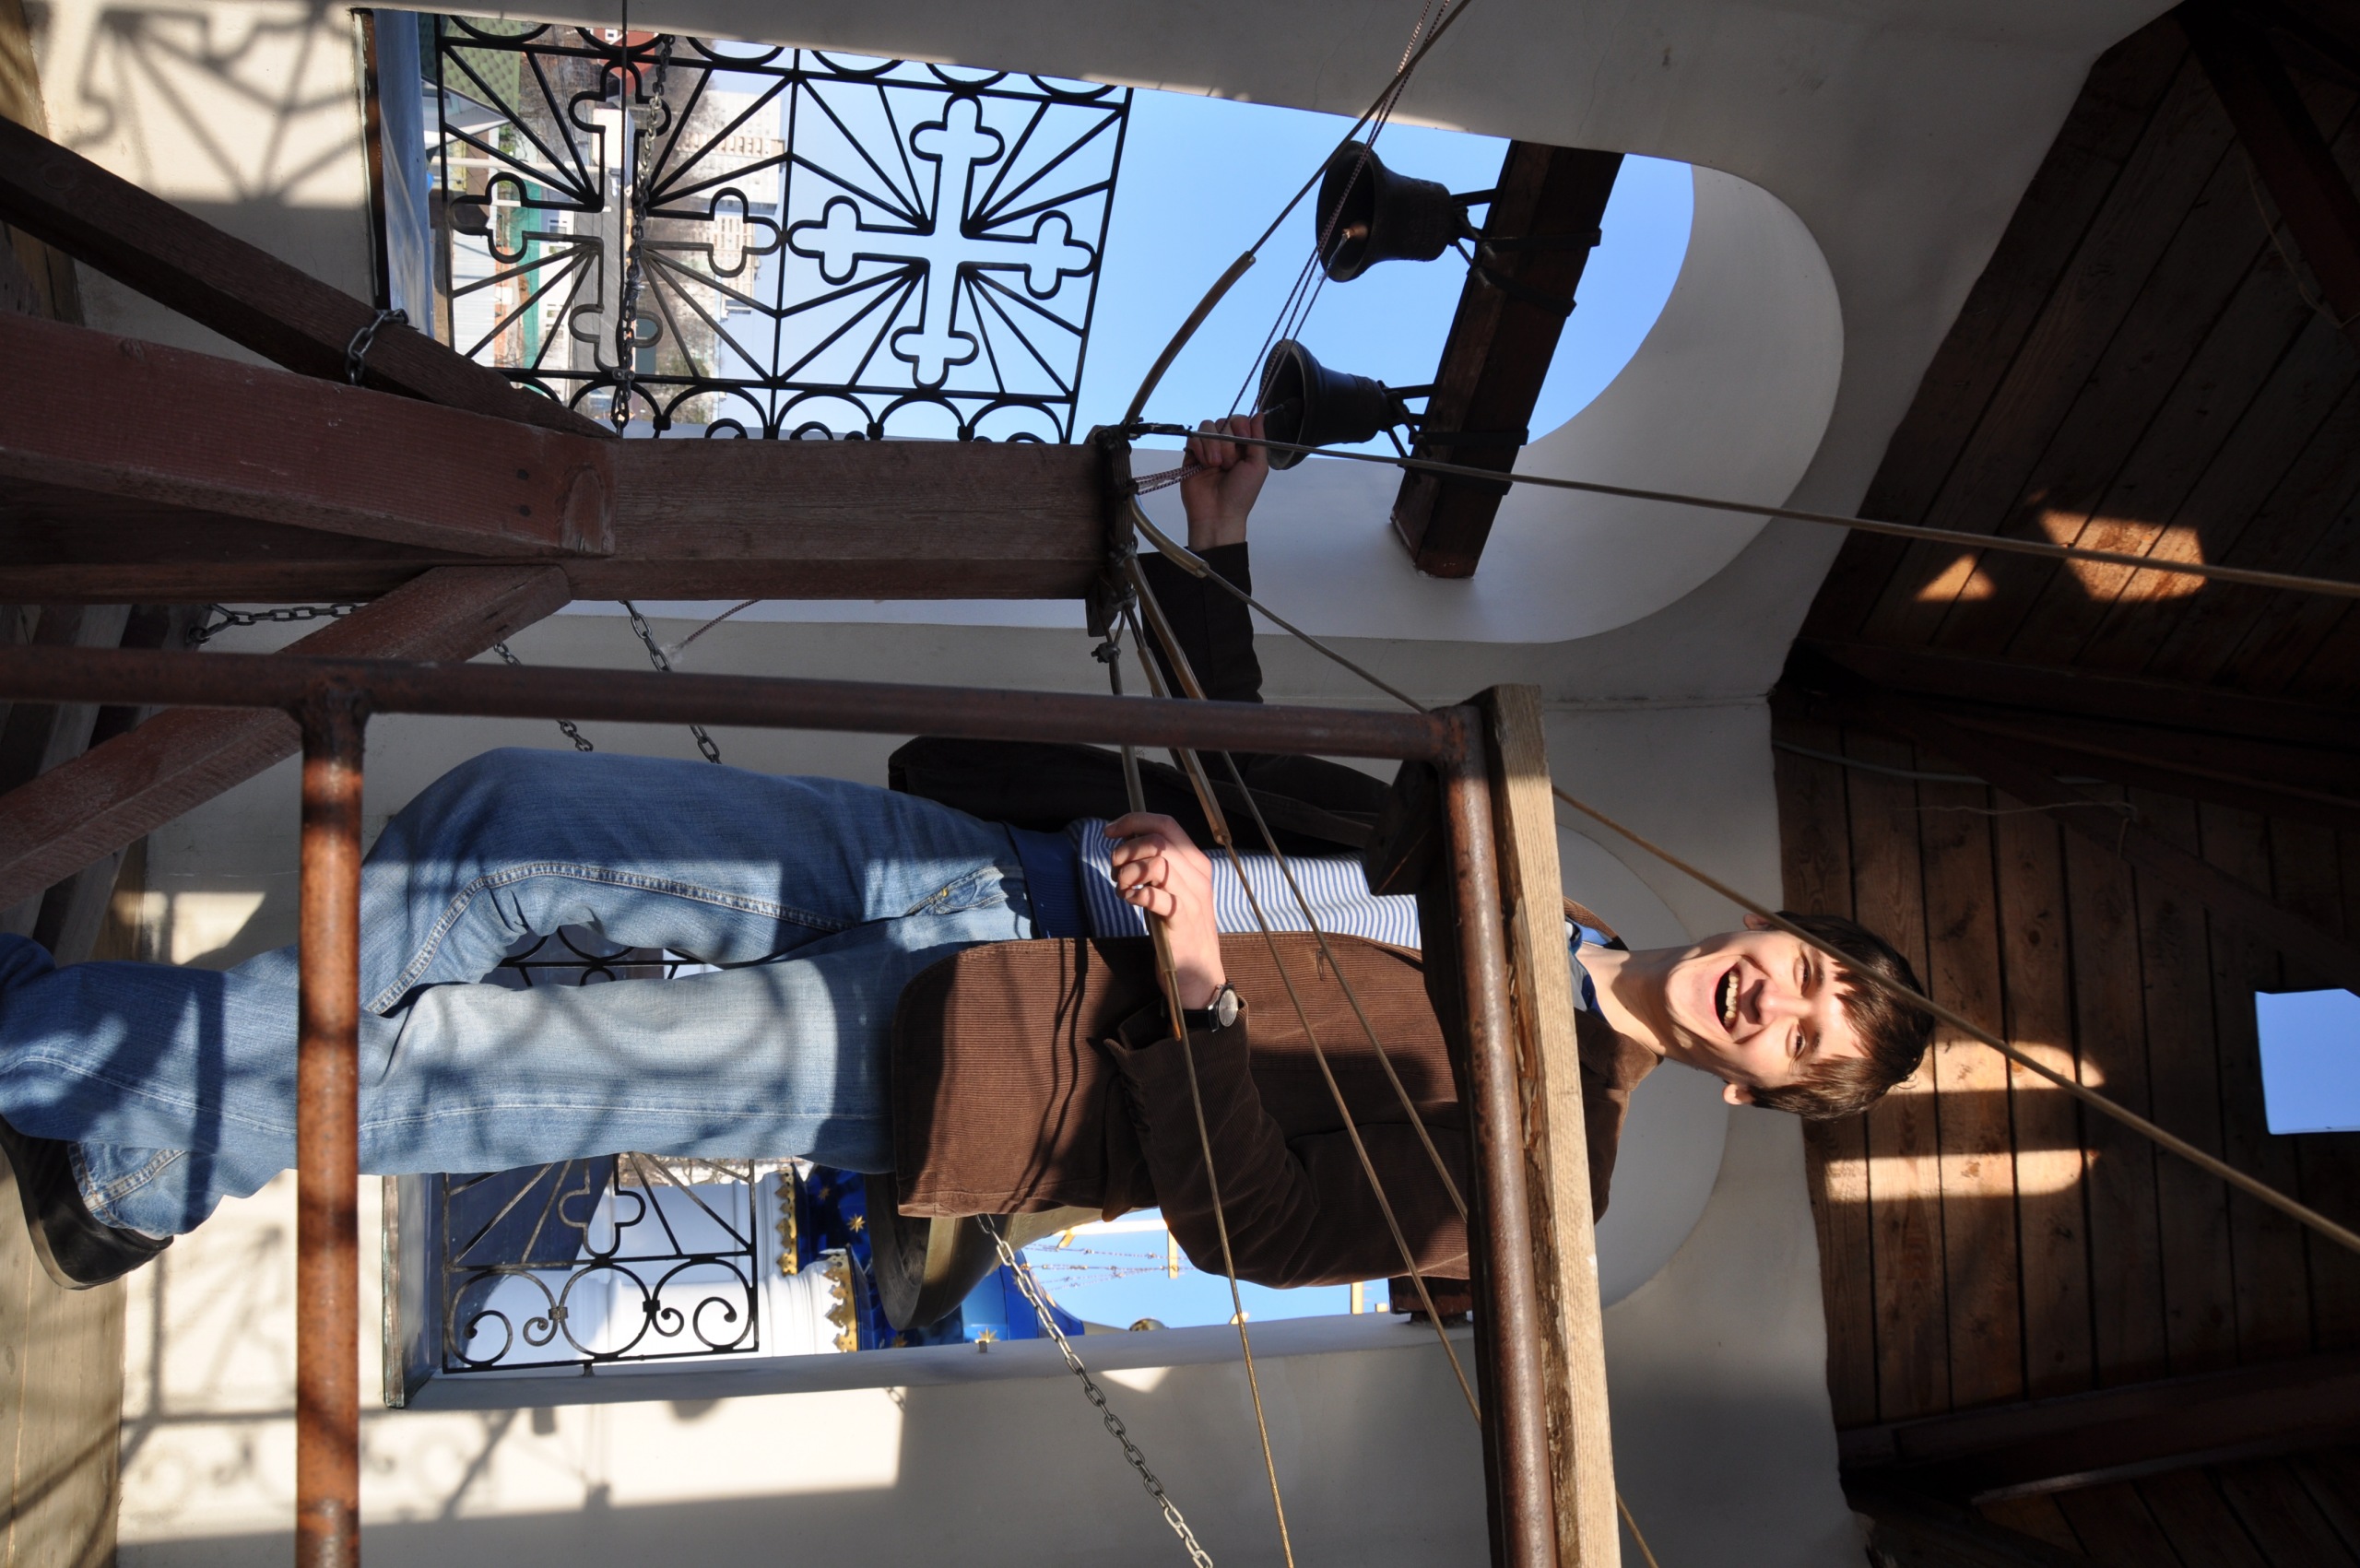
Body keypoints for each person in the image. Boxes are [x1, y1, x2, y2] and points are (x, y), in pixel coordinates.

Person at [0, 418, 1933, 1292]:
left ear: (1759, 1085)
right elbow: (1268, 798)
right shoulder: (1528, 872)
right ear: (1771, 924)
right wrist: (1218, 550)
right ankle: (151, 1152)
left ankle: (47, 1055)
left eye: (1803, 1036)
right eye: (1813, 967)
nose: (1778, 996)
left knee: (477, 1069)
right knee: (511, 820)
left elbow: (1261, 1229)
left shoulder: (1551, 1165)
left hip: (999, 1055)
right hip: (998, 862)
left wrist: (1193, 982)